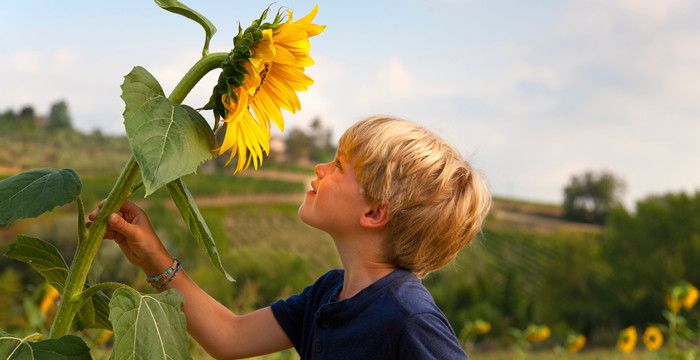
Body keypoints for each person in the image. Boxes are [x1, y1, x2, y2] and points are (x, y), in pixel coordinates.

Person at [88, 115, 491, 359]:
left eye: (339, 166)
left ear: (374, 212)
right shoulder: (329, 294)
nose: (319, 167)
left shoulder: (408, 317)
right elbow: (229, 337)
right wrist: (151, 255)